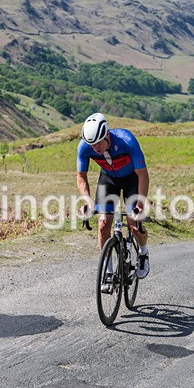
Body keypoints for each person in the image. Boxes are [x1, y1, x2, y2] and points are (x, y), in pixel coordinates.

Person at [76, 112, 150, 282]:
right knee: (103, 224)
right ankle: (109, 271)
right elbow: (81, 176)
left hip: (132, 179)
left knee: (133, 225)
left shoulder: (127, 140)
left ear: (107, 134)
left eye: (98, 143)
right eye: (91, 145)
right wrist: (87, 200)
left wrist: (140, 203)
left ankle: (143, 252)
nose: (96, 149)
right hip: (108, 179)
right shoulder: (84, 147)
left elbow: (143, 175)